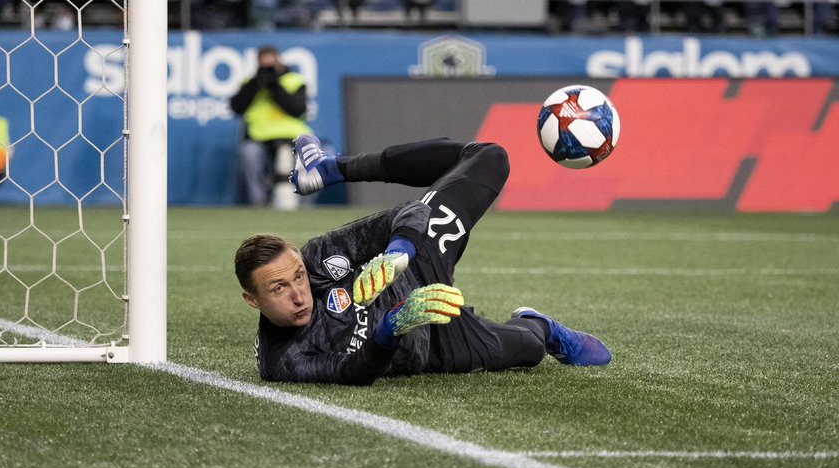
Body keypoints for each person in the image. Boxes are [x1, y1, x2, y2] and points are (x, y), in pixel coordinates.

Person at [234, 134, 612, 386]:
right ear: (252, 299)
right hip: (430, 341)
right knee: (529, 350)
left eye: (297, 278)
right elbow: (353, 371)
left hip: (418, 261)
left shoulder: (318, 258)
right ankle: (539, 322)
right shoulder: (281, 361)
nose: (299, 294)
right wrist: (390, 328)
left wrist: (398, 253)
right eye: (279, 288)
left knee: (488, 157)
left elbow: (409, 212)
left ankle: (333, 168)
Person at [230, 45, 311, 207]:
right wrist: (255, 83)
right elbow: (237, 107)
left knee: (312, 156)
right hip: (261, 138)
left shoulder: (293, 80)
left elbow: (297, 109)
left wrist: (275, 86)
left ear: (278, 61)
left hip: (293, 137)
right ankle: (258, 201)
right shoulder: (251, 83)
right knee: (249, 152)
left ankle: (305, 203)